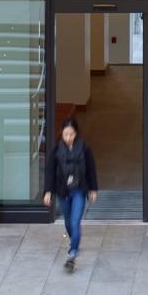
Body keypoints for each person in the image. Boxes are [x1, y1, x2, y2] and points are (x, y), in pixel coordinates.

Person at [43, 116, 98, 272]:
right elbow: (50, 172)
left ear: (76, 134)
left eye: (71, 134)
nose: (68, 138)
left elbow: (91, 170)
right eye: (65, 134)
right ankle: (74, 241)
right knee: (68, 222)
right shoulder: (56, 151)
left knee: (75, 222)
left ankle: (72, 253)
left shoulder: (85, 149)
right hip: (62, 191)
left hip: (79, 190)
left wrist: (93, 189)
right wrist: (48, 191)